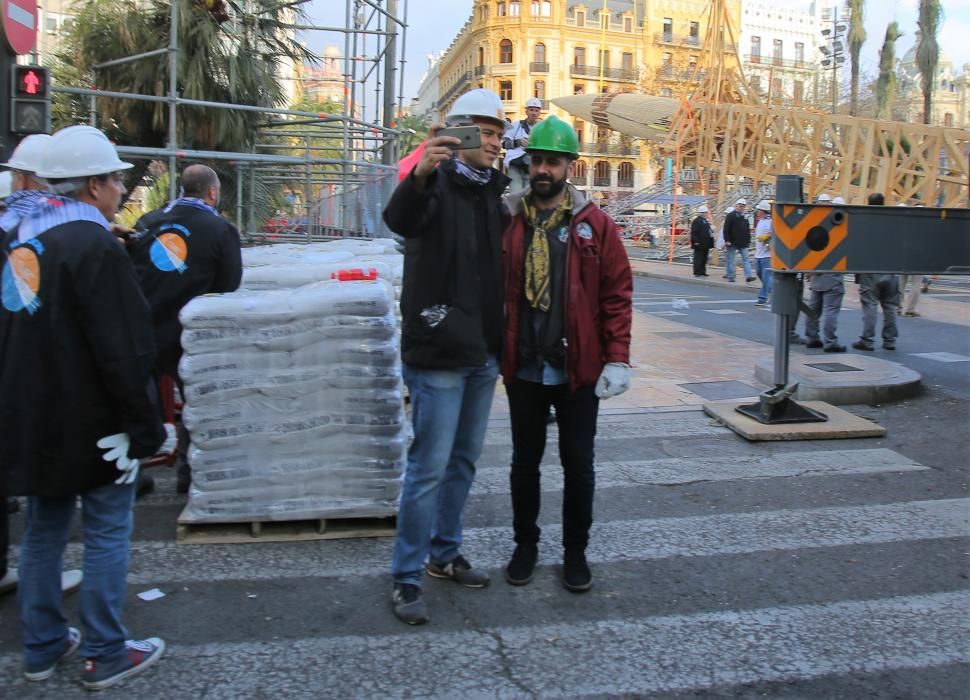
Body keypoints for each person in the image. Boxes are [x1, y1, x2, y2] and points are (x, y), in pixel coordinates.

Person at [0, 125, 170, 690]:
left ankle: (42, 646)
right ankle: (104, 651)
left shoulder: (27, 243)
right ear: (93, 185)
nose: (122, 188)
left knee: (44, 532)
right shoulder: (94, 246)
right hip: (93, 424)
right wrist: (143, 430)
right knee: (104, 530)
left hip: (35, 417)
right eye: (117, 179)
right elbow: (124, 347)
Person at [382, 88, 509, 625]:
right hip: (437, 352)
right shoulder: (433, 184)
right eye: (484, 131)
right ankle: (406, 576)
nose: (495, 141)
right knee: (428, 468)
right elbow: (400, 218)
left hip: (482, 351)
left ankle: (444, 552)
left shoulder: (493, 194)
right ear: (459, 134)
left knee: (462, 461)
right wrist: (419, 173)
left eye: (500, 133)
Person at [501, 115, 633, 593]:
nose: (542, 169)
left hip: (578, 371)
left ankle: (576, 552)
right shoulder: (511, 220)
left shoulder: (596, 226)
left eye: (552, 162)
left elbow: (616, 294)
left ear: (568, 168)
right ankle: (526, 545)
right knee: (524, 463)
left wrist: (617, 358)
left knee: (578, 465)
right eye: (536, 160)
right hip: (525, 367)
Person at [0, 134, 84, 599]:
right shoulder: (46, 232)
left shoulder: (12, 226)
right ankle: (40, 601)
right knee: (45, 502)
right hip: (33, 373)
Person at [128, 164, 243, 494]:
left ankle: (132, 472)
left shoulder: (147, 222)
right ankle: (189, 472)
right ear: (212, 192)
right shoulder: (220, 230)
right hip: (190, 333)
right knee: (197, 401)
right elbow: (229, 285)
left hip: (145, 328)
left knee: (139, 399)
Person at [852, 193, 900, 351]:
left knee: (870, 305)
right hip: (891, 270)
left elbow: (858, 247)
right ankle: (890, 340)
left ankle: (867, 340)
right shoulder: (893, 223)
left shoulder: (865, 223)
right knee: (890, 307)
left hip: (871, 271)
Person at [804, 195, 846, 352]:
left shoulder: (815, 226)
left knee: (813, 309)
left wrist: (809, 270)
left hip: (816, 275)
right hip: (832, 276)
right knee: (831, 310)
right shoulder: (841, 230)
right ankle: (830, 342)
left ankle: (812, 337)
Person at [503, 97, 543, 193]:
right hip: (515, 164)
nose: (533, 113)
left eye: (536, 110)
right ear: (526, 111)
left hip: (532, 166)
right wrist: (519, 142)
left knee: (528, 196)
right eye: (531, 110)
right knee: (516, 193)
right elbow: (504, 144)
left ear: (539, 113)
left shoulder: (542, 129)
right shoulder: (516, 126)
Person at [722, 197, 755, 283]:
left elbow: (747, 230)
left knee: (746, 259)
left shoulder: (744, 217)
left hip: (743, 242)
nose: (741, 208)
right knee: (731, 260)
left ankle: (749, 276)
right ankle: (731, 276)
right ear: (736, 206)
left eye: (743, 206)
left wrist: (748, 240)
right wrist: (727, 240)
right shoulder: (730, 216)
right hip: (732, 242)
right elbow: (726, 229)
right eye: (740, 206)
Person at [753, 199, 773, 306]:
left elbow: (773, 235)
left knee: (766, 277)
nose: (757, 212)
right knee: (759, 273)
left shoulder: (771, 222)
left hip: (767, 254)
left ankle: (762, 297)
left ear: (763, 211)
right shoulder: (760, 221)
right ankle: (774, 292)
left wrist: (768, 237)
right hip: (758, 254)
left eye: (759, 210)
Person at [690, 203, 714, 277]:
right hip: (699, 243)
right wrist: (696, 241)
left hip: (705, 243)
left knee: (704, 258)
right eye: (706, 213)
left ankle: (703, 271)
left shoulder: (705, 221)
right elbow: (694, 232)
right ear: (702, 213)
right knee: (698, 258)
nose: (707, 214)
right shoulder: (697, 221)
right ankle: (697, 272)